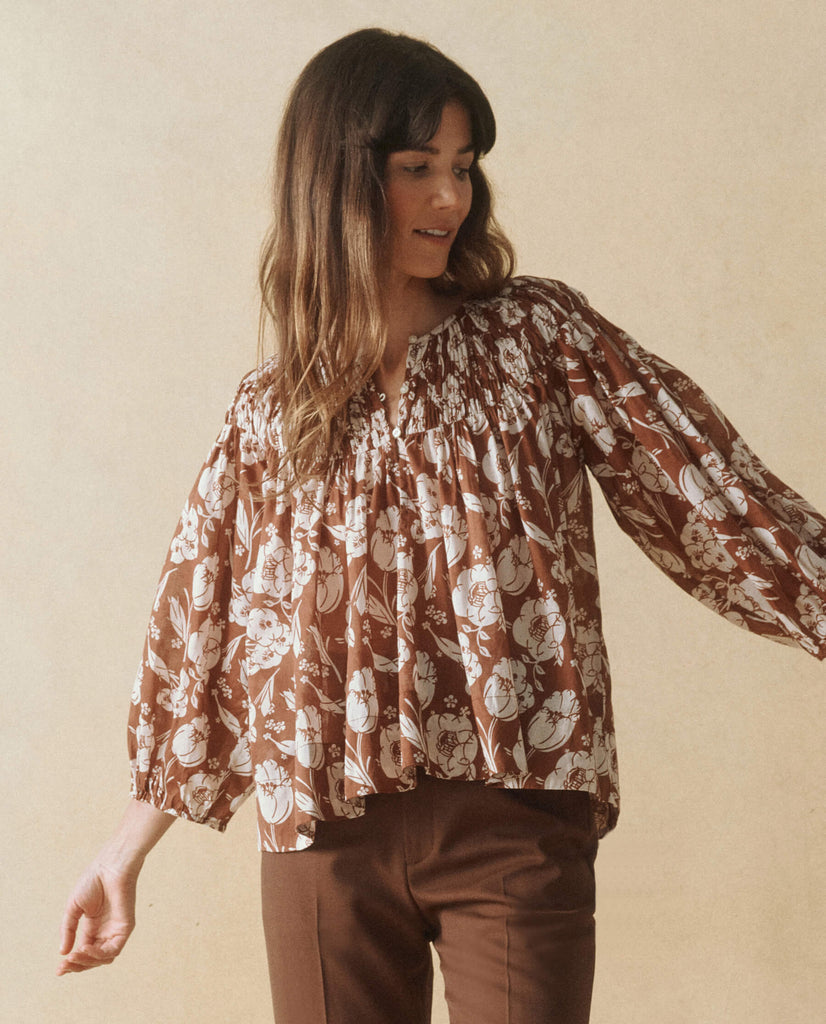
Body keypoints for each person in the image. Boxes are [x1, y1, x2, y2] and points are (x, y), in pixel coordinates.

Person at [57, 27, 825, 1024]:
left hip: (515, 818)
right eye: (418, 167)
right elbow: (206, 638)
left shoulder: (538, 338)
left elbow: (706, 492)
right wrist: (123, 856)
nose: (451, 197)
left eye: (462, 167)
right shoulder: (271, 409)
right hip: (320, 837)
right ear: (335, 179)